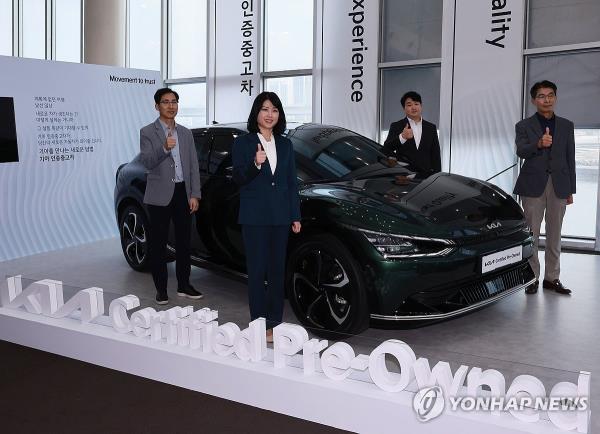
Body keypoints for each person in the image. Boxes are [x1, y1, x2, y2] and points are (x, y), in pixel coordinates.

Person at [232, 91, 301, 343]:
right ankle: (259, 324)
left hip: (281, 217)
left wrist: (295, 215)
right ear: (256, 113)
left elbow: (291, 182)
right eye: (265, 109)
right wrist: (255, 164)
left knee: (276, 272)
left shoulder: (286, 144)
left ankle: (275, 323)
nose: (270, 114)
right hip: (255, 217)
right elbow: (238, 178)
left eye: (274, 109)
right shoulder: (244, 143)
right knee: (257, 271)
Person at [140, 88, 203, 305]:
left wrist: (195, 193)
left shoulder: (185, 133)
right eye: (165, 102)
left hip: (182, 192)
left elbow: (194, 165)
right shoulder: (147, 132)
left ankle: (184, 285)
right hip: (159, 196)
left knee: (184, 243)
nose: (171, 106)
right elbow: (147, 162)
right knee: (158, 244)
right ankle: (161, 289)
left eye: (174, 101)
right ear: (157, 106)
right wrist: (164, 148)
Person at [514, 80, 575, 295]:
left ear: (555, 98)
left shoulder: (567, 125)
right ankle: (531, 277)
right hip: (532, 185)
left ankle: (552, 278)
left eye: (550, 95)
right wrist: (538, 144)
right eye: (541, 96)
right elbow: (521, 151)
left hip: (559, 185)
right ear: (534, 100)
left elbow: (570, 158)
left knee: (555, 234)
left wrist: (570, 190)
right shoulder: (523, 126)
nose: (546, 99)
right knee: (531, 234)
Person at [382, 91, 441, 175]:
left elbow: (435, 155)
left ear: (421, 106)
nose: (413, 107)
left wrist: (437, 176)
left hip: (426, 176)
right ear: (404, 108)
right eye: (409, 105)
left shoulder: (431, 127)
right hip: (403, 175)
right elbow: (386, 149)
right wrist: (402, 137)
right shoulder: (396, 125)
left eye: (416, 104)